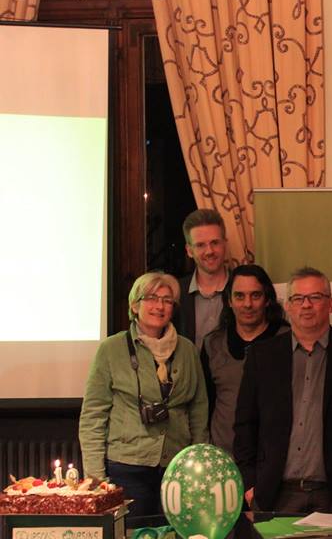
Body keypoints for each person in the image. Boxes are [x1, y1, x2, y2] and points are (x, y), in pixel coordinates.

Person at [233, 267, 332, 513]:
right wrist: (250, 482)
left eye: (315, 297)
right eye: (298, 299)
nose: (306, 305)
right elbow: (245, 424)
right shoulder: (263, 356)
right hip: (274, 494)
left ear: (331, 304)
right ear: (288, 306)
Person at [79, 272, 209, 518]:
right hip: (126, 468)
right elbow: (93, 416)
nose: (159, 306)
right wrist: (96, 478)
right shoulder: (111, 349)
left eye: (167, 300)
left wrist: (197, 464)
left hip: (178, 468)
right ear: (134, 305)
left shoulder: (188, 350)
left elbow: (199, 410)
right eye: (151, 298)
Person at [200, 264, 288, 456]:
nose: (247, 304)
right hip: (223, 459)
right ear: (229, 301)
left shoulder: (288, 340)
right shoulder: (212, 344)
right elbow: (204, 405)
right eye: (239, 296)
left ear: (267, 299)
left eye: (255, 295)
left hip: (275, 460)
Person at [177, 209, 230, 347]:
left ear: (225, 244)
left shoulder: (244, 290)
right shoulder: (176, 293)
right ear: (189, 251)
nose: (209, 251)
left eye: (215, 243)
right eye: (200, 245)